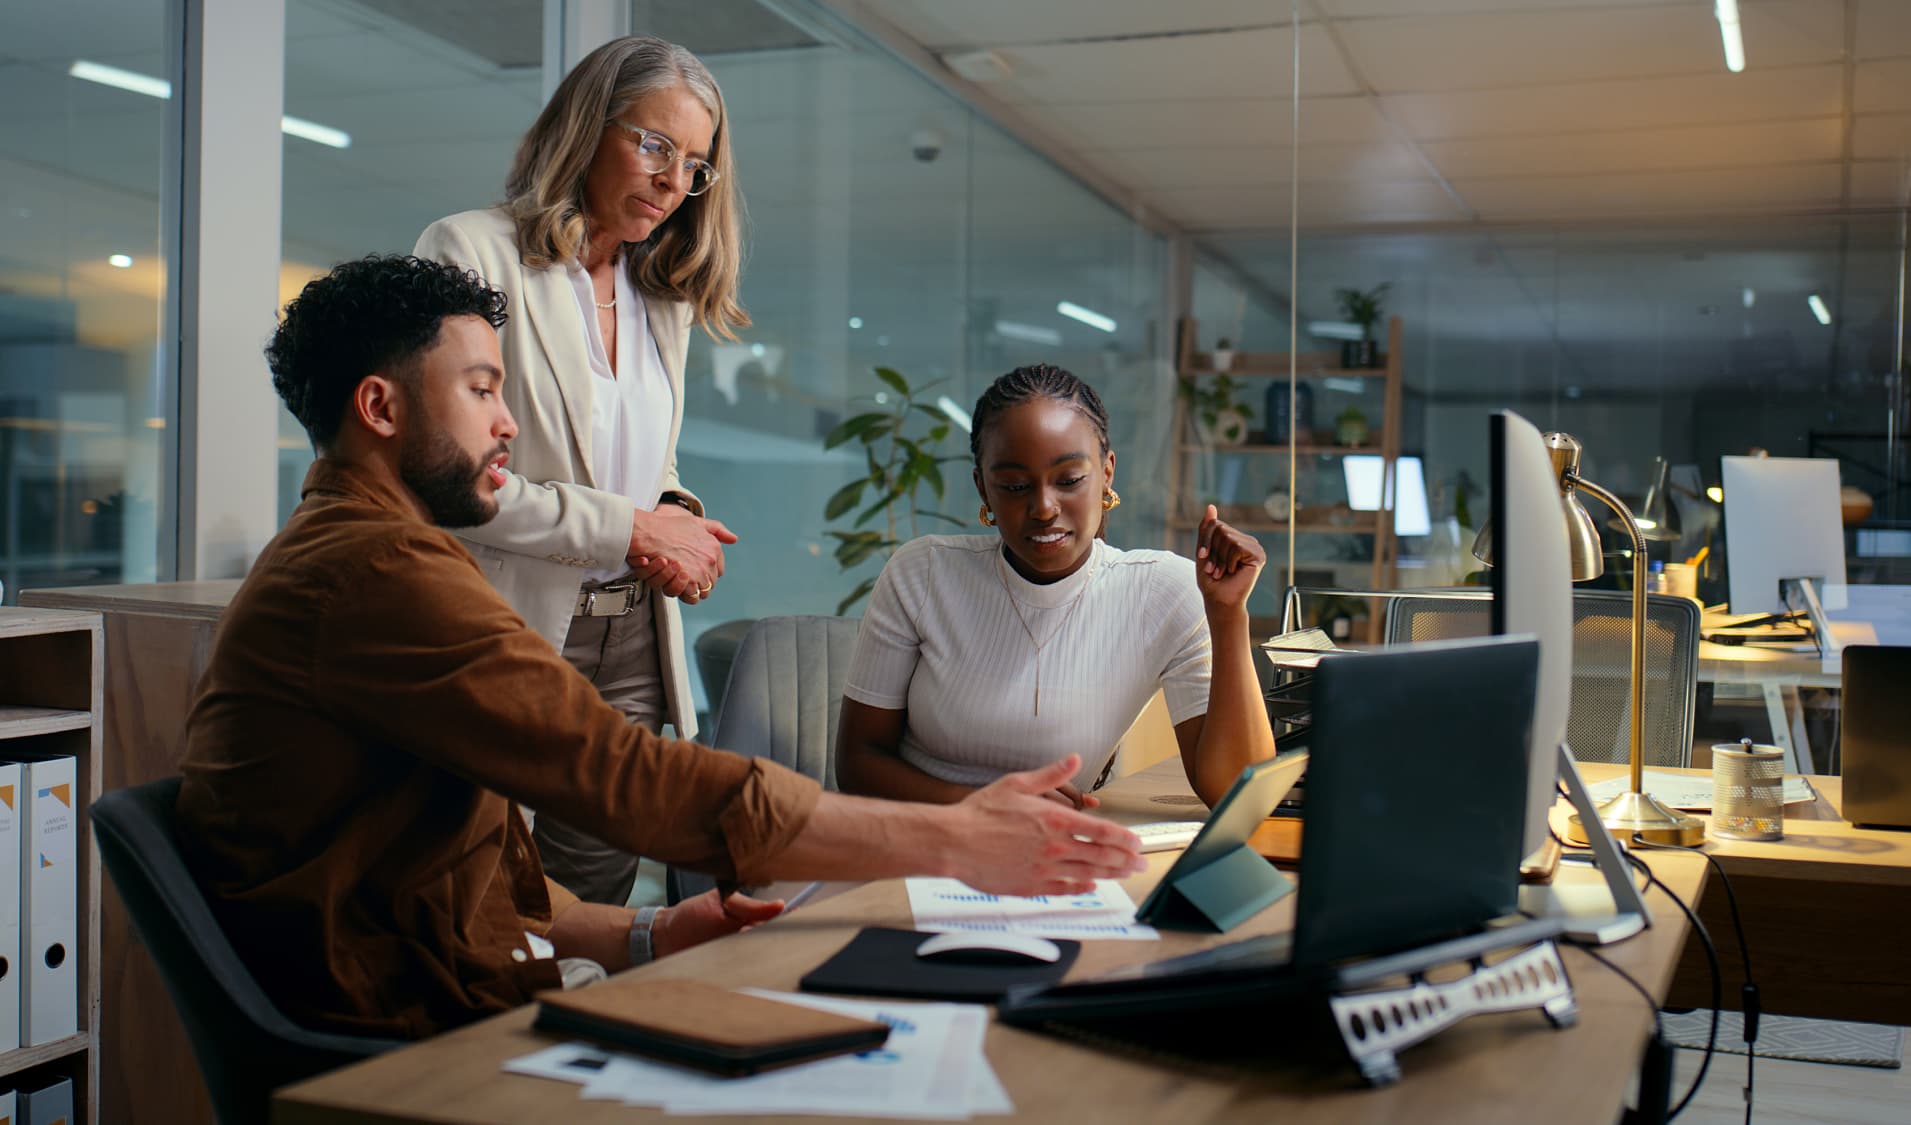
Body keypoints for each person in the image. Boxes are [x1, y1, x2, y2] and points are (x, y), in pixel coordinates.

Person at [175, 255, 1142, 1039]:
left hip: (458, 990)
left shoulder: (368, 555)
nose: (509, 422)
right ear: (381, 409)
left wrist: (649, 931)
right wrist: (958, 838)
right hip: (411, 1039)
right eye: (480, 389)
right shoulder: (375, 574)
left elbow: (474, 867)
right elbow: (623, 776)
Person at [414, 36, 741, 905]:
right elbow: (448, 478)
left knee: (597, 901)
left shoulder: (660, 293)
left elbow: (641, 459)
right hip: (510, 623)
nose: (673, 181)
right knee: (486, 897)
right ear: (589, 127)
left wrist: (674, 516)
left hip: (632, 639)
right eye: (655, 145)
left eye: (695, 165)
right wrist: (633, 526)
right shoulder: (469, 251)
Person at [835, 364, 1277, 811]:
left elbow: (1238, 796)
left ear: (1106, 473)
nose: (1044, 508)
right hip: (916, 838)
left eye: (1069, 481)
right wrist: (987, 807)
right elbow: (857, 764)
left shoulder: (1163, 593)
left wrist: (1228, 617)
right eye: (1014, 486)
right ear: (983, 489)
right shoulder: (924, 574)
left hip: (1051, 848)